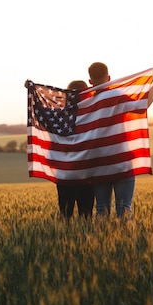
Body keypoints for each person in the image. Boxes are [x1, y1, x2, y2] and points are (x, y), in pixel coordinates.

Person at [88, 59, 153, 221]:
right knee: (124, 209)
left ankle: (100, 245)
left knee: (101, 210)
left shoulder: (86, 102)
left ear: (90, 81)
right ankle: (125, 243)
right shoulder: (118, 96)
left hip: (98, 163)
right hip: (122, 160)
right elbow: (144, 104)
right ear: (109, 78)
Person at [56, 80, 95, 221]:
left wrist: (31, 89)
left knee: (65, 214)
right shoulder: (92, 112)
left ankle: (62, 240)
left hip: (64, 173)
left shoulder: (59, 114)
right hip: (85, 173)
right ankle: (85, 241)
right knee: (86, 216)